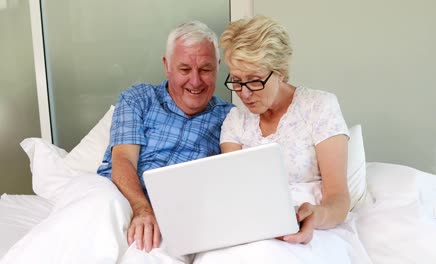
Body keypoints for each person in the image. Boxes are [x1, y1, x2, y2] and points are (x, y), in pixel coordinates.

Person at [193, 16, 372, 263]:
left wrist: (314, 216)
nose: (244, 93)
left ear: (281, 73)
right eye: (236, 80)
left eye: (254, 80)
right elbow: (237, 193)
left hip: (310, 227)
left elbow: (339, 199)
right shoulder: (235, 121)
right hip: (252, 228)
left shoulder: (319, 107)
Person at [97, 20, 233, 255]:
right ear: (166, 65)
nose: (195, 81)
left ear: (218, 66)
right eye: (184, 69)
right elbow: (123, 159)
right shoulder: (138, 98)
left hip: (177, 214)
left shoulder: (230, 118)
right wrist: (142, 209)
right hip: (120, 197)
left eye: (205, 69)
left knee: (154, 252)